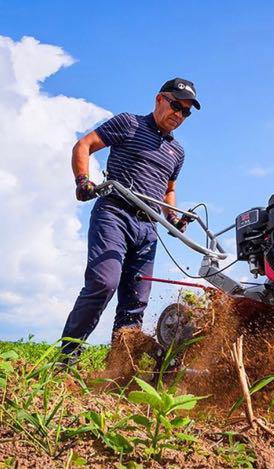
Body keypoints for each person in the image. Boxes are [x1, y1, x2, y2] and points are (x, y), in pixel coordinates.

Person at [59, 77, 201, 361]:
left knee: (135, 303)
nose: (179, 115)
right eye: (176, 106)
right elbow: (84, 144)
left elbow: (168, 189)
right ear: (160, 99)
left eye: (186, 112)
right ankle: (66, 358)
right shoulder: (129, 123)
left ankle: (118, 370)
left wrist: (172, 217)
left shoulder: (178, 152)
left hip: (148, 227)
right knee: (103, 282)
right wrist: (82, 180)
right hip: (115, 213)